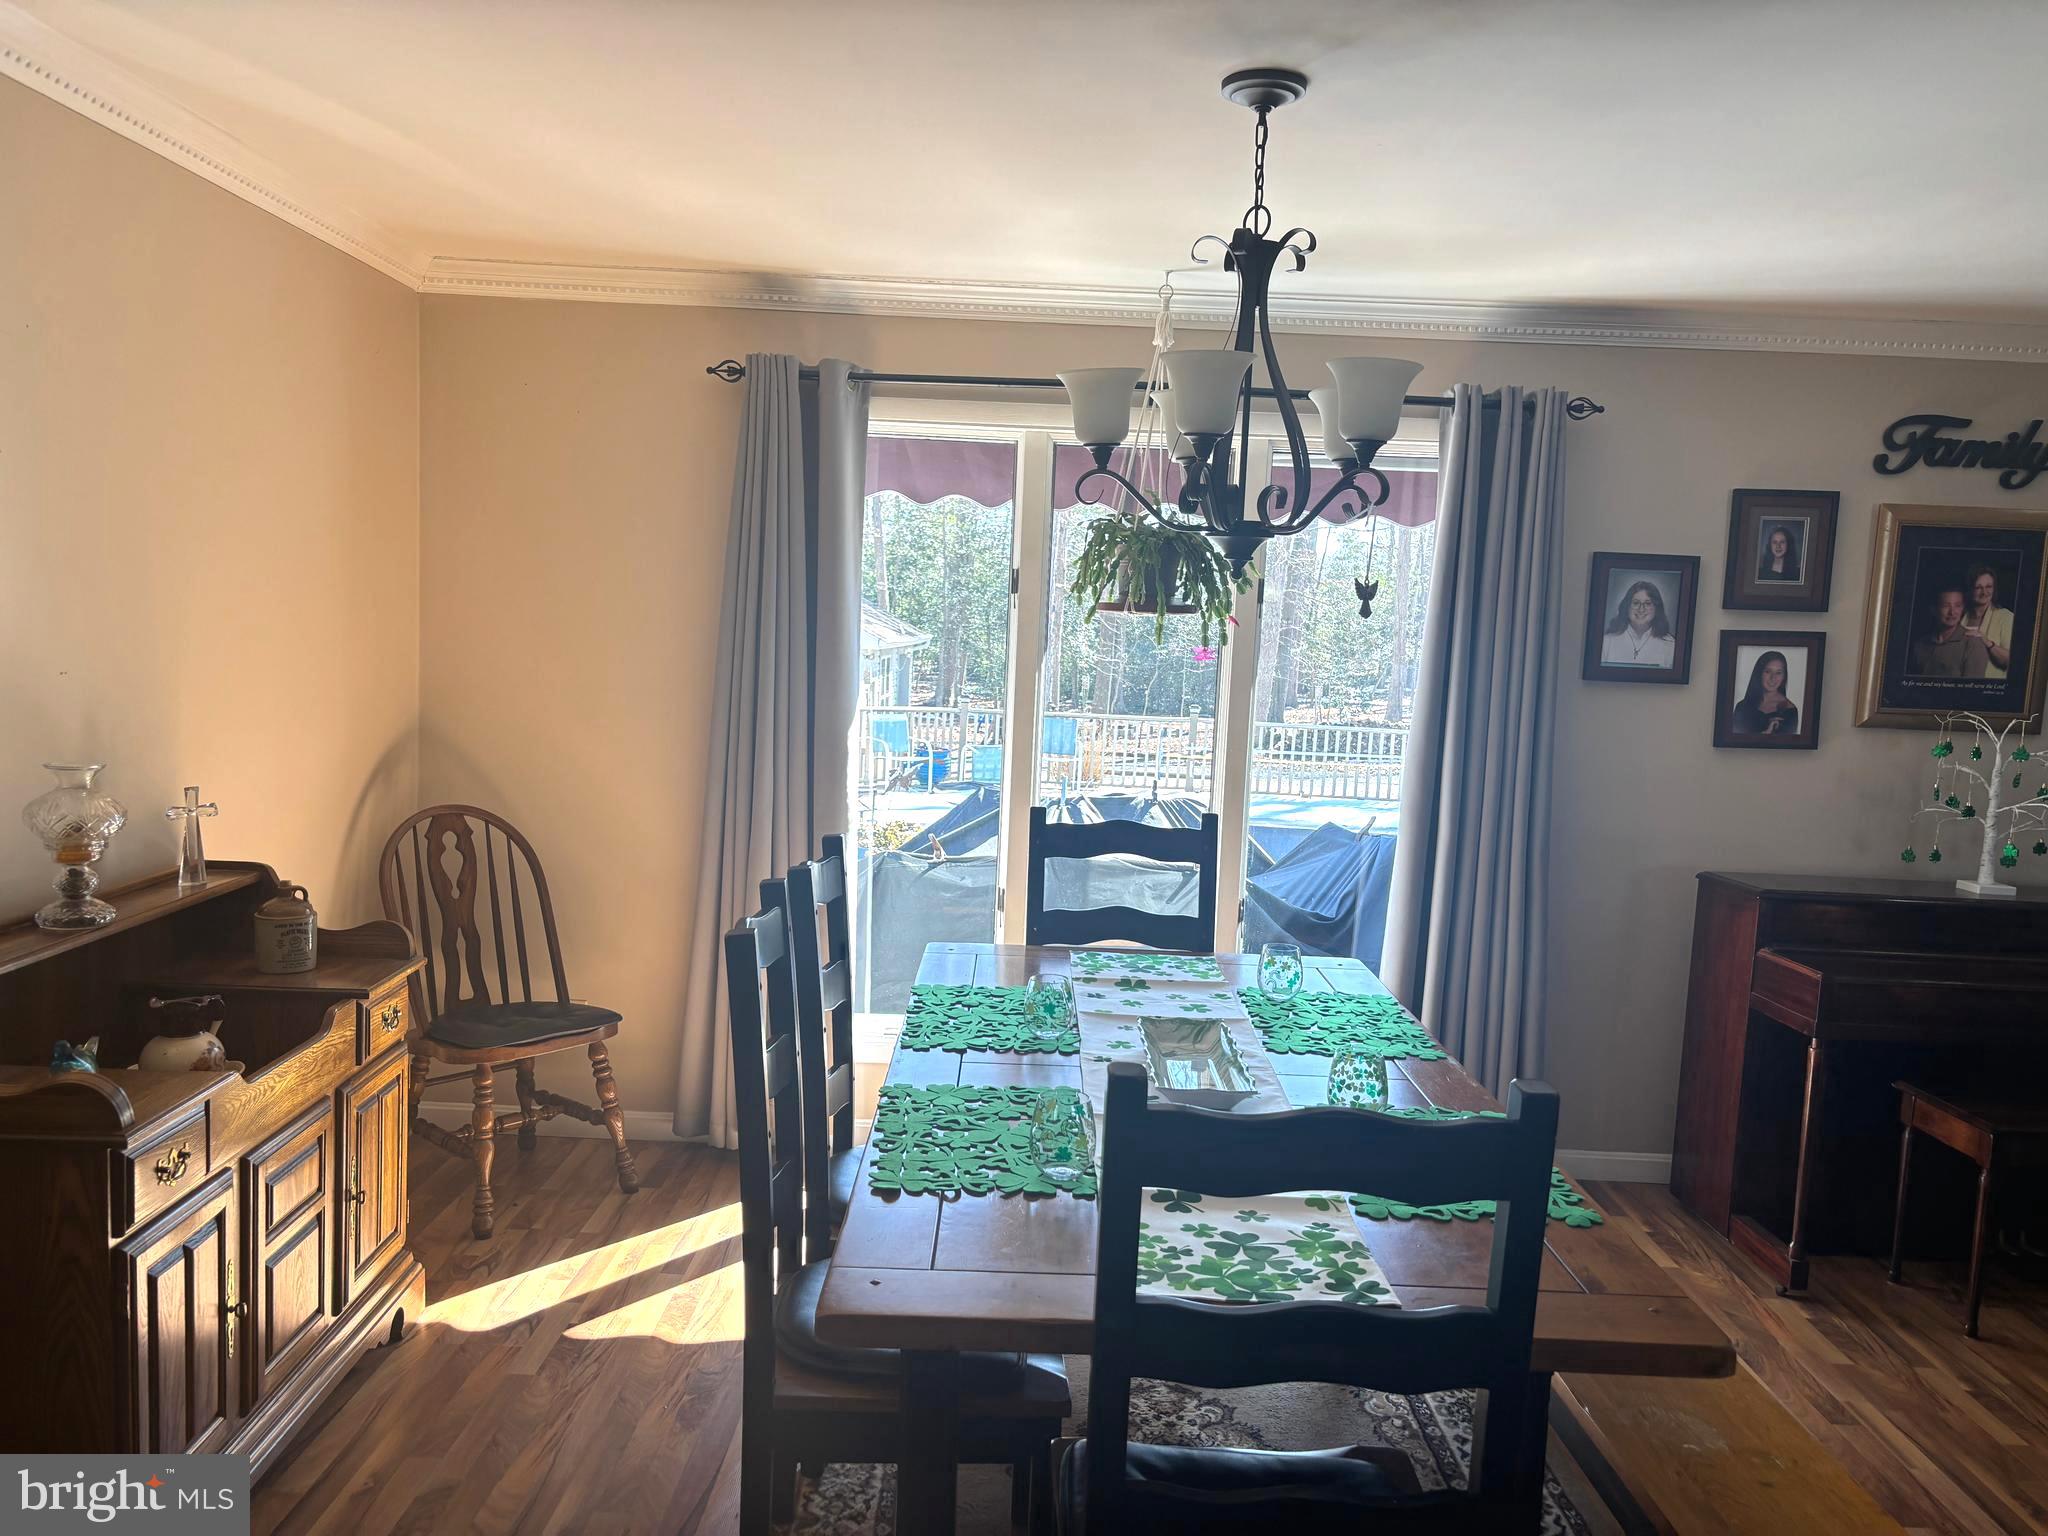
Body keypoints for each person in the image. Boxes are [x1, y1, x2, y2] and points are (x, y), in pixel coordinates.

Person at [1909, 586, 1991, 677]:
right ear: (1934, 609)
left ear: (1962, 608)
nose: (1952, 612)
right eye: (1945, 606)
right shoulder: (1919, 645)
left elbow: (1973, 689)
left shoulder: (1973, 644)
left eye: (1957, 606)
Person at [1601, 579, 1676, 667]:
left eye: (1648, 603)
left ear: (1657, 608)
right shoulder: (1607, 642)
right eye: (1636, 603)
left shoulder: (1670, 645)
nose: (1641, 609)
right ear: (1627, 607)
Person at [1961, 564, 2014, 679]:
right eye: (1978, 587)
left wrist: (1987, 642)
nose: (1984, 592)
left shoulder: (2006, 617)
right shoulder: (1959, 616)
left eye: (1989, 586)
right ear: (1970, 589)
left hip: (1990, 690)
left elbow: (2010, 661)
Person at [1731, 651, 1800, 736]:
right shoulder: (1741, 707)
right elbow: (1734, 744)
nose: (1773, 678)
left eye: (1778, 673)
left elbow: (1789, 747)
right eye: (1768, 671)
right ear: (1759, 673)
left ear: (1784, 677)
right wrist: (1764, 734)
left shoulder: (1790, 711)